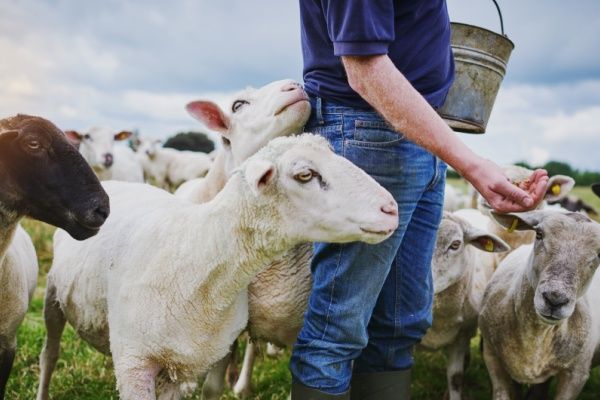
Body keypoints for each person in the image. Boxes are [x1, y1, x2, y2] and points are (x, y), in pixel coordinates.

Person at [289, 1, 549, 399]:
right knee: (337, 326)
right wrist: (473, 167)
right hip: (368, 135)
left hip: (418, 134)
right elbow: (364, 67)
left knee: (399, 322)